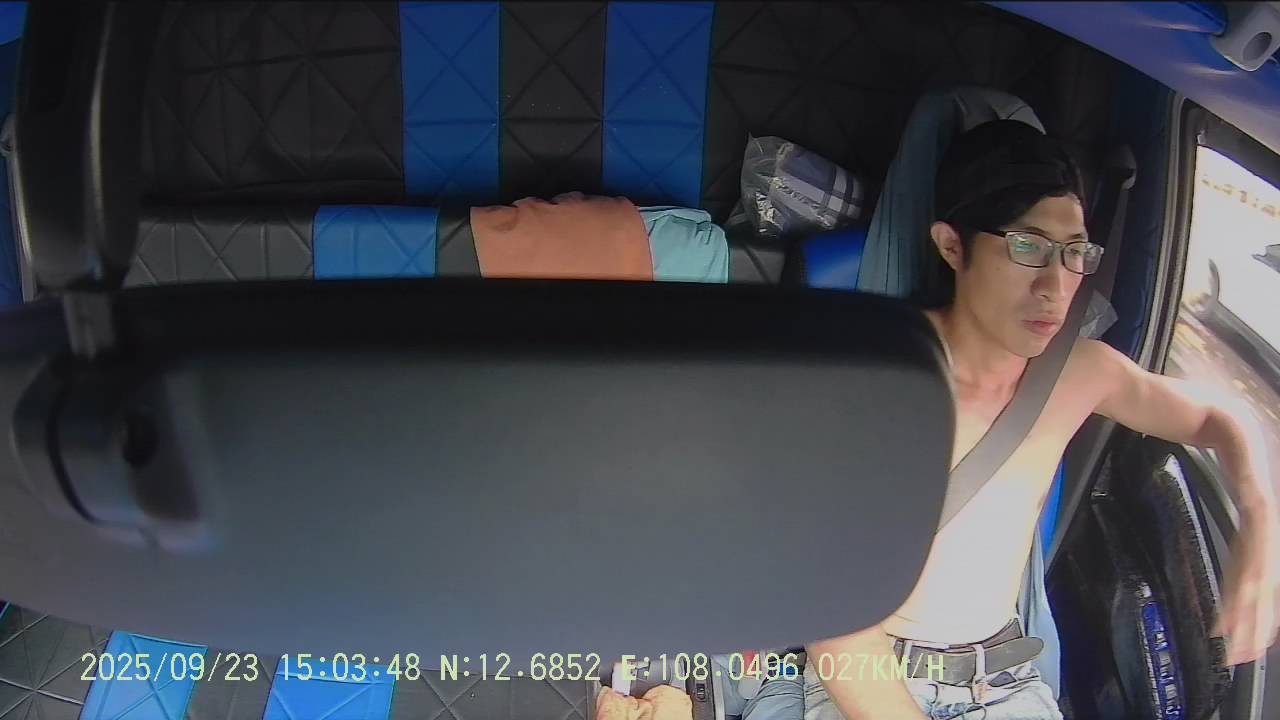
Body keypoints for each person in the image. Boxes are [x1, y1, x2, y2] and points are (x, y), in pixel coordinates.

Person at [739, 120, 1280, 720]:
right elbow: (836, 629)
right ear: (952, 246)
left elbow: (1219, 414)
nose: (1056, 286)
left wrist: (1260, 518)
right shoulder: (876, 384)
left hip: (1006, 683)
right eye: (1028, 247)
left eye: (1075, 253)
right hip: (868, 678)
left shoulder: (1081, 373)